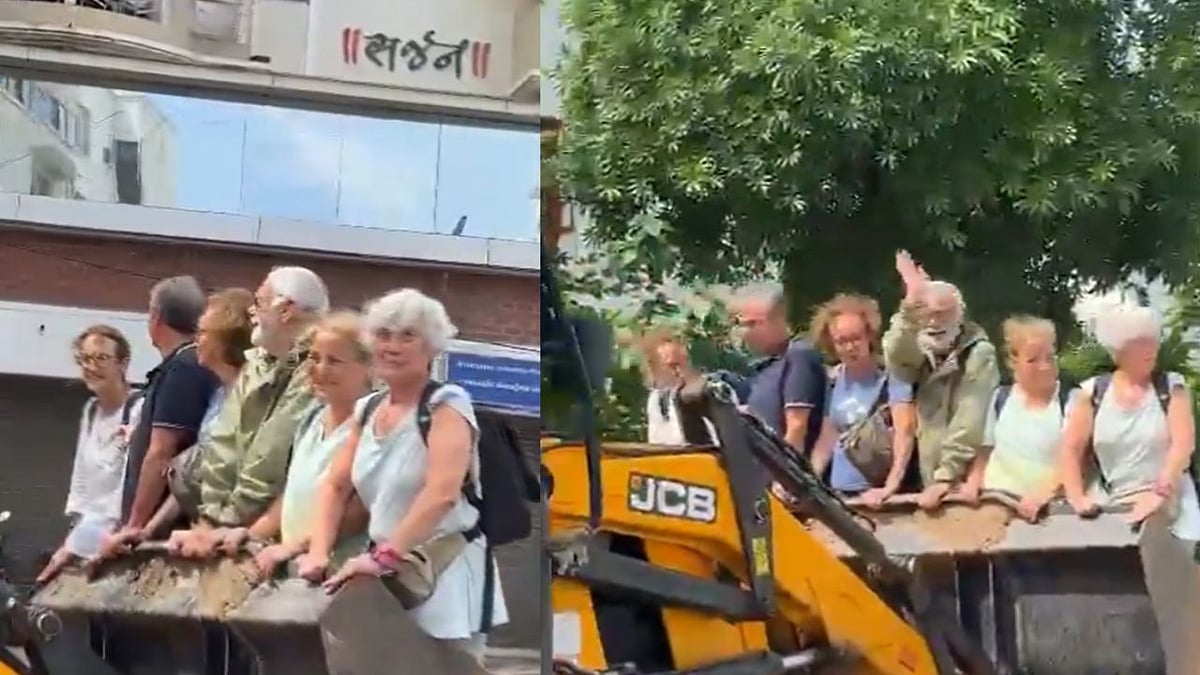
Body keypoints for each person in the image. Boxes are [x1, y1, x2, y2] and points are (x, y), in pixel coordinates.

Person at [298, 288, 508, 663]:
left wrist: (384, 557)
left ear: (431, 346)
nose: (392, 347)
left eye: (407, 336)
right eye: (383, 335)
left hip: (442, 576)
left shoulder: (447, 404)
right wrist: (318, 552)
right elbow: (335, 484)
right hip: (388, 579)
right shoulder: (367, 409)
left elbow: (442, 494)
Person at [171, 266, 327, 557]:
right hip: (241, 532)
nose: (252, 312)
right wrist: (212, 520)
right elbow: (223, 448)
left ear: (286, 310)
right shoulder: (257, 363)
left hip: (286, 541)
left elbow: (270, 456)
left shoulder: (317, 368)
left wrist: (223, 525)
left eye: (260, 302)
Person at [217, 311, 372, 579]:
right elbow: (291, 494)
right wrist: (251, 536)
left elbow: (359, 512)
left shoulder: (373, 427)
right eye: (315, 358)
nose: (319, 369)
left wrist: (295, 547)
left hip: (339, 576)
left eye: (334, 361)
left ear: (369, 367)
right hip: (295, 572)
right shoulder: (311, 420)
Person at [114, 288, 256, 547]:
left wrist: (136, 522)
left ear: (224, 340)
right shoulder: (219, 396)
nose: (196, 340)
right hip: (203, 525)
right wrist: (147, 530)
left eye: (203, 333)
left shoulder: (251, 399)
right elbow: (191, 477)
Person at [1059, 304, 1200, 545]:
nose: (1151, 349)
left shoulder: (1172, 387)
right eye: (1140, 343)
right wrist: (1077, 499)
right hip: (1112, 508)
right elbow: (1070, 451)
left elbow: (1183, 445)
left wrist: (1160, 493)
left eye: (1153, 340)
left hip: (1170, 506)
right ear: (1119, 350)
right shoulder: (1091, 394)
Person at [105, 276, 221, 550]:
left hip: (164, 535)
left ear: (156, 317)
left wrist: (135, 524)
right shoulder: (188, 364)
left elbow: (161, 452)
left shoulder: (184, 368)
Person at [882, 251, 1000, 510]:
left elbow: (970, 420)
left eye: (943, 314)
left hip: (967, 483)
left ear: (959, 315)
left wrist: (946, 476)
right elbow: (896, 353)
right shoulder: (925, 349)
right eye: (928, 314)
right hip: (931, 479)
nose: (934, 322)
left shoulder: (979, 353)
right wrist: (910, 307)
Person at [37, 326, 144, 583]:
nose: (91, 366)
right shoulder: (91, 410)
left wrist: (78, 544)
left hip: (119, 538)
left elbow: (128, 488)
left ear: (123, 363)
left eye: (101, 358)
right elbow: (81, 480)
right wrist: (73, 537)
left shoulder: (140, 409)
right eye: (85, 359)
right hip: (89, 533)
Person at [808, 294, 916, 506]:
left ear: (869, 336)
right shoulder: (834, 380)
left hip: (878, 495)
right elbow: (827, 438)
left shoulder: (892, 377)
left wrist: (889, 488)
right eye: (841, 341)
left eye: (855, 338)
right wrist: (809, 481)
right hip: (841, 494)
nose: (850, 347)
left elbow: (905, 432)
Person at [972, 316, 1072, 521]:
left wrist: (1042, 495)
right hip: (997, 504)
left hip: (1047, 511)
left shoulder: (1071, 400)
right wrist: (973, 485)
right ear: (1012, 361)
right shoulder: (1000, 398)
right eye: (1033, 360)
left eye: (1050, 357)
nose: (1044, 366)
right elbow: (985, 453)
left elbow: (1074, 459)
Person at [729, 282, 828, 453]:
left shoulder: (799, 357)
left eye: (753, 324)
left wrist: (785, 470)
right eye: (742, 325)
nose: (746, 333)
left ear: (779, 320)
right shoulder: (768, 367)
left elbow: (797, 428)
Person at [640, 328, 718, 445]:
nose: (678, 372)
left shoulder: (708, 391)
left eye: (681, 364)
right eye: (671, 366)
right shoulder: (657, 399)